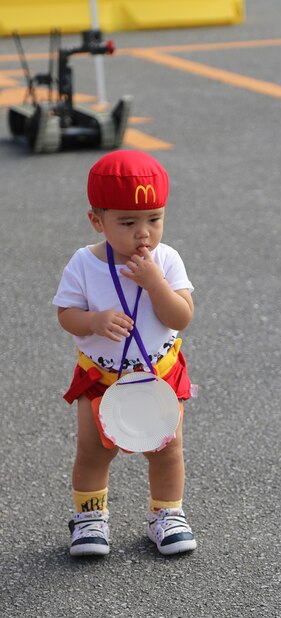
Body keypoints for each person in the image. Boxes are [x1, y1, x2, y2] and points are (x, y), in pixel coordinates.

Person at [53, 150, 196, 557]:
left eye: (155, 219)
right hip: (103, 376)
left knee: (167, 448)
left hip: (157, 375)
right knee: (94, 450)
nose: (144, 234)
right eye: (128, 223)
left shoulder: (166, 260)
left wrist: (155, 285)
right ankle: (90, 517)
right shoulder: (84, 263)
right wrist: (92, 321)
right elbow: (66, 315)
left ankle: (167, 514)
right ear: (97, 221)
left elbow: (181, 316)